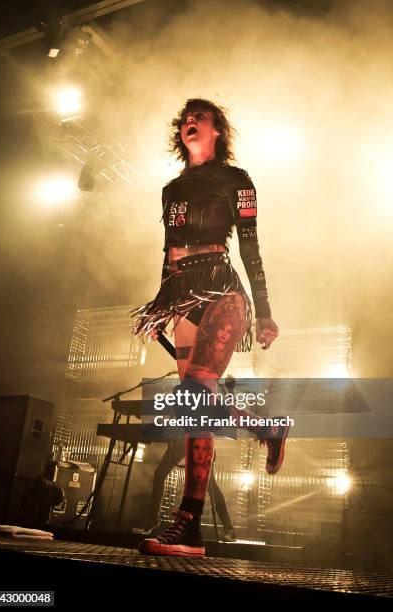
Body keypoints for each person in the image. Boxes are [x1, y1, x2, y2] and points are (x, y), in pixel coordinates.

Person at [132, 98, 288, 557]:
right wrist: (162, 308)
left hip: (222, 289)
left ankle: (189, 520)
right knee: (194, 412)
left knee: (198, 393)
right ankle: (266, 431)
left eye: (199, 117)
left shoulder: (237, 181)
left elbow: (251, 247)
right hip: (181, 295)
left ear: (218, 129)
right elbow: (169, 252)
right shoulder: (171, 189)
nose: (189, 123)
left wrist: (264, 311)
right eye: (184, 119)